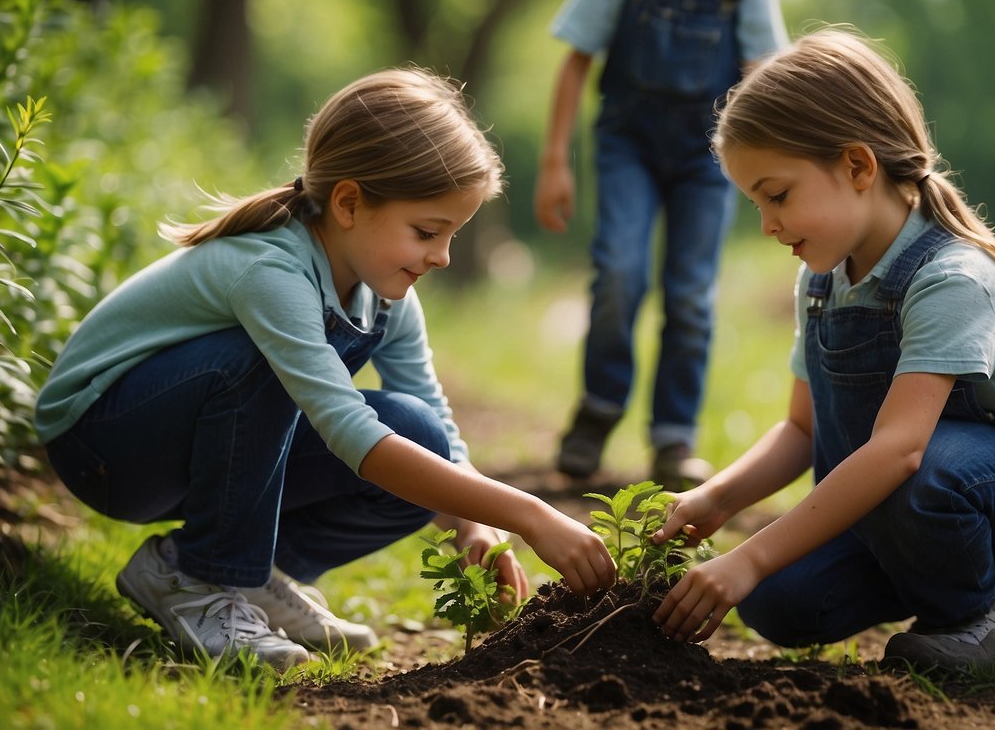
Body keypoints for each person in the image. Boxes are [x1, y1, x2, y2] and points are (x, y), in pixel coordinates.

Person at [35, 68, 616, 670]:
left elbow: (430, 414)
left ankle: (246, 573)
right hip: (103, 446)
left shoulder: (387, 294)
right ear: (348, 202)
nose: (441, 256)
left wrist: (472, 522)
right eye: (426, 232)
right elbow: (350, 431)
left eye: (451, 236)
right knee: (258, 365)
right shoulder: (271, 271)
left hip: (181, 448)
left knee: (422, 437)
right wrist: (529, 514)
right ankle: (202, 576)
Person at [649, 29, 995, 670]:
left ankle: (976, 609)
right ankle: (923, 562)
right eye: (755, 203)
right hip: (908, 477)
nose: (768, 224)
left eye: (777, 195)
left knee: (915, 479)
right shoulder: (821, 282)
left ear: (859, 167)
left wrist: (749, 553)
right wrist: (716, 502)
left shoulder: (950, 277)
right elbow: (804, 428)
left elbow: (900, 450)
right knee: (777, 599)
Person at [533, 0, 787, 491]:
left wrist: (773, 182)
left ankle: (674, 435)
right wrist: (554, 162)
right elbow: (576, 62)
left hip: (709, 159)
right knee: (620, 273)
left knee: (692, 294)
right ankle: (596, 413)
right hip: (628, 148)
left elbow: (763, 84)